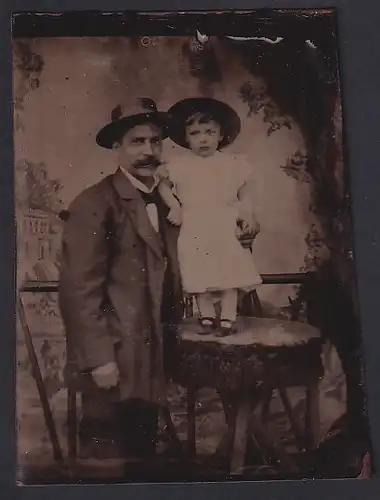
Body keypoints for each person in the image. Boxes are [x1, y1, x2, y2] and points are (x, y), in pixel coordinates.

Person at [58, 97, 259, 468]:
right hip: (113, 360)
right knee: (107, 463)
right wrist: (100, 359)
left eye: (155, 142)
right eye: (137, 142)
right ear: (117, 146)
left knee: (142, 459)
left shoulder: (174, 204)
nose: (148, 151)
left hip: (150, 361)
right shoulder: (93, 203)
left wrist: (243, 228)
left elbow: (205, 243)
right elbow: (78, 293)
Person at [158, 97, 262, 336]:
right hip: (194, 223)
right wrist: (175, 207)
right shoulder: (179, 165)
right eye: (195, 133)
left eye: (209, 132)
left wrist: (246, 214)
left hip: (223, 222)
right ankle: (205, 315)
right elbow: (164, 186)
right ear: (186, 138)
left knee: (228, 271)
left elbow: (245, 194)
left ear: (221, 135)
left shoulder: (233, 163)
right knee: (196, 269)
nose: (203, 139)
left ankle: (227, 317)